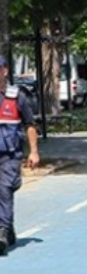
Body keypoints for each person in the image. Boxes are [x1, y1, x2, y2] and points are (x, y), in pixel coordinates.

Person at [0, 55, 39, 255]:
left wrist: (33, 152)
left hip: (10, 155)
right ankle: (7, 229)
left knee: (4, 189)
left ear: (5, 71)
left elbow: (30, 125)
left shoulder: (18, 97)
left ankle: (3, 231)